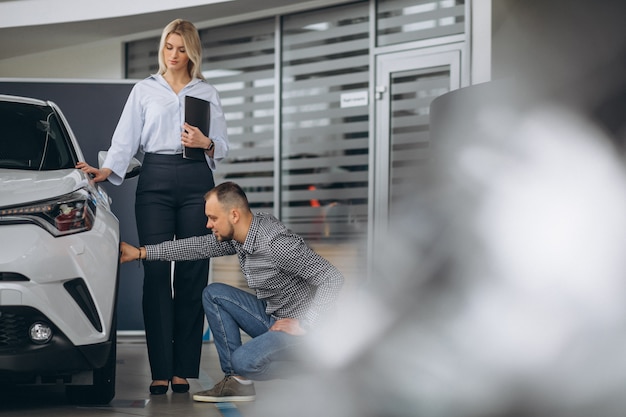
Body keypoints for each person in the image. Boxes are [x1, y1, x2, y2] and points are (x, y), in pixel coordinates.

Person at [77, 19, 229, 395]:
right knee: (157, 272)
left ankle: (183, 370)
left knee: (193, 273)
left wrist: (205, 141)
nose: (174, 55)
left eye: (181, 49)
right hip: (155, 181)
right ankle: (160, 369)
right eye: (168, 47)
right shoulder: (145, 89)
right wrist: (107, 169)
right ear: (162, 49)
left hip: (197, 181)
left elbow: (223, 145)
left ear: (191, 51)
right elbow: (125, 138)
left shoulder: (206, 91)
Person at [119, 181, 345, 402]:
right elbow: (196, 246)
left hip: (308, 332)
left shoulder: (276, 244)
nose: (208, 224)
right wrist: (141, 252)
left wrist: (305, 323)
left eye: (213, 218)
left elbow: (331, 277)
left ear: (234, 215)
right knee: (213, 293)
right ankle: (237, 382)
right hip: (275, 319)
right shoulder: (240, 237)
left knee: (244, 361)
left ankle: (317, 368)